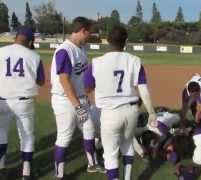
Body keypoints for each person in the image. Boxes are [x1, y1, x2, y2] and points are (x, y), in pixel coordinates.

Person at [84, 25, 157, 180]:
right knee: (127, 145)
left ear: (108, 41)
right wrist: (151, 112)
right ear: (126, 42)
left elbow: (88, 88)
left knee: (110, 154)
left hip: (109, 113)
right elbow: (143, 90)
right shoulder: (135, 61)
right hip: (131, 111)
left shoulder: (96, 62)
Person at [50, 17, 102, 179]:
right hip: (65, 101)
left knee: (89, 130)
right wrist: (77, 106)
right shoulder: (65, 50)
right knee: (64, 137)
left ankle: (92, 165)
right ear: (83, 31)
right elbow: (64, 80)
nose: (90, 36)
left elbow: (82, 76)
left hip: (81, 99)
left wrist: (84, 99)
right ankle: (59, 174)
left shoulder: (81, 49)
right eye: (89, 33)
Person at [0, 26, 45, 179]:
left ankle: (1, 167)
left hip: (2, 100)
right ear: (31, 41)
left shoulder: (1, 51)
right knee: (27, 137)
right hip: (24, 102)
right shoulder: (34, 56)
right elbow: (41, 81)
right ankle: (26, 172)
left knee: (1, 134)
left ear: (16, 37)